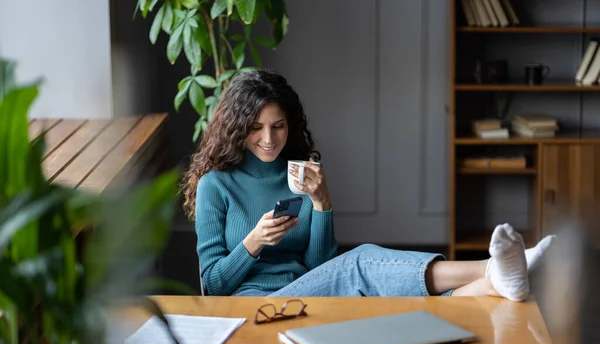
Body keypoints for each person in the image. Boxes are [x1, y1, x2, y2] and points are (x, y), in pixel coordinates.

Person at [181, 69, 554, 301]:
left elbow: (320, 267)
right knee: (358, 263)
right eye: (255, 127)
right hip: (255, 307)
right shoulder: (217, 185)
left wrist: (322, 203)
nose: (268, 138)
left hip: (306, 296)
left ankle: (496, 284)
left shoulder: (299, 175)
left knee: (391, 294)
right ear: (236, 127)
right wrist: (254, 241)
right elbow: (212, 287)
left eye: (278, 126)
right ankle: (492, 268)